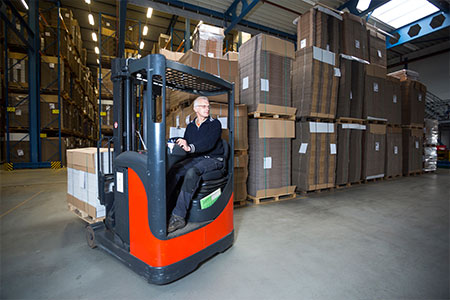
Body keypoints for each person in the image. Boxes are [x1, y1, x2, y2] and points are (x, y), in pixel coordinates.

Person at [167, 96, 224, 233]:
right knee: (174, 170)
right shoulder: (191, 126)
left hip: (214, 159)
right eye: (203, 106)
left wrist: (189, 148)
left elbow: (208, 144)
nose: (207, 109)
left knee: (192, 172)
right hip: (197, 158)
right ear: (195, 109)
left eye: (208, 106)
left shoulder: (215, 124)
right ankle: (164, 207)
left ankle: (179, 217)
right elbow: (187, 142)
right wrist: (178, 144)